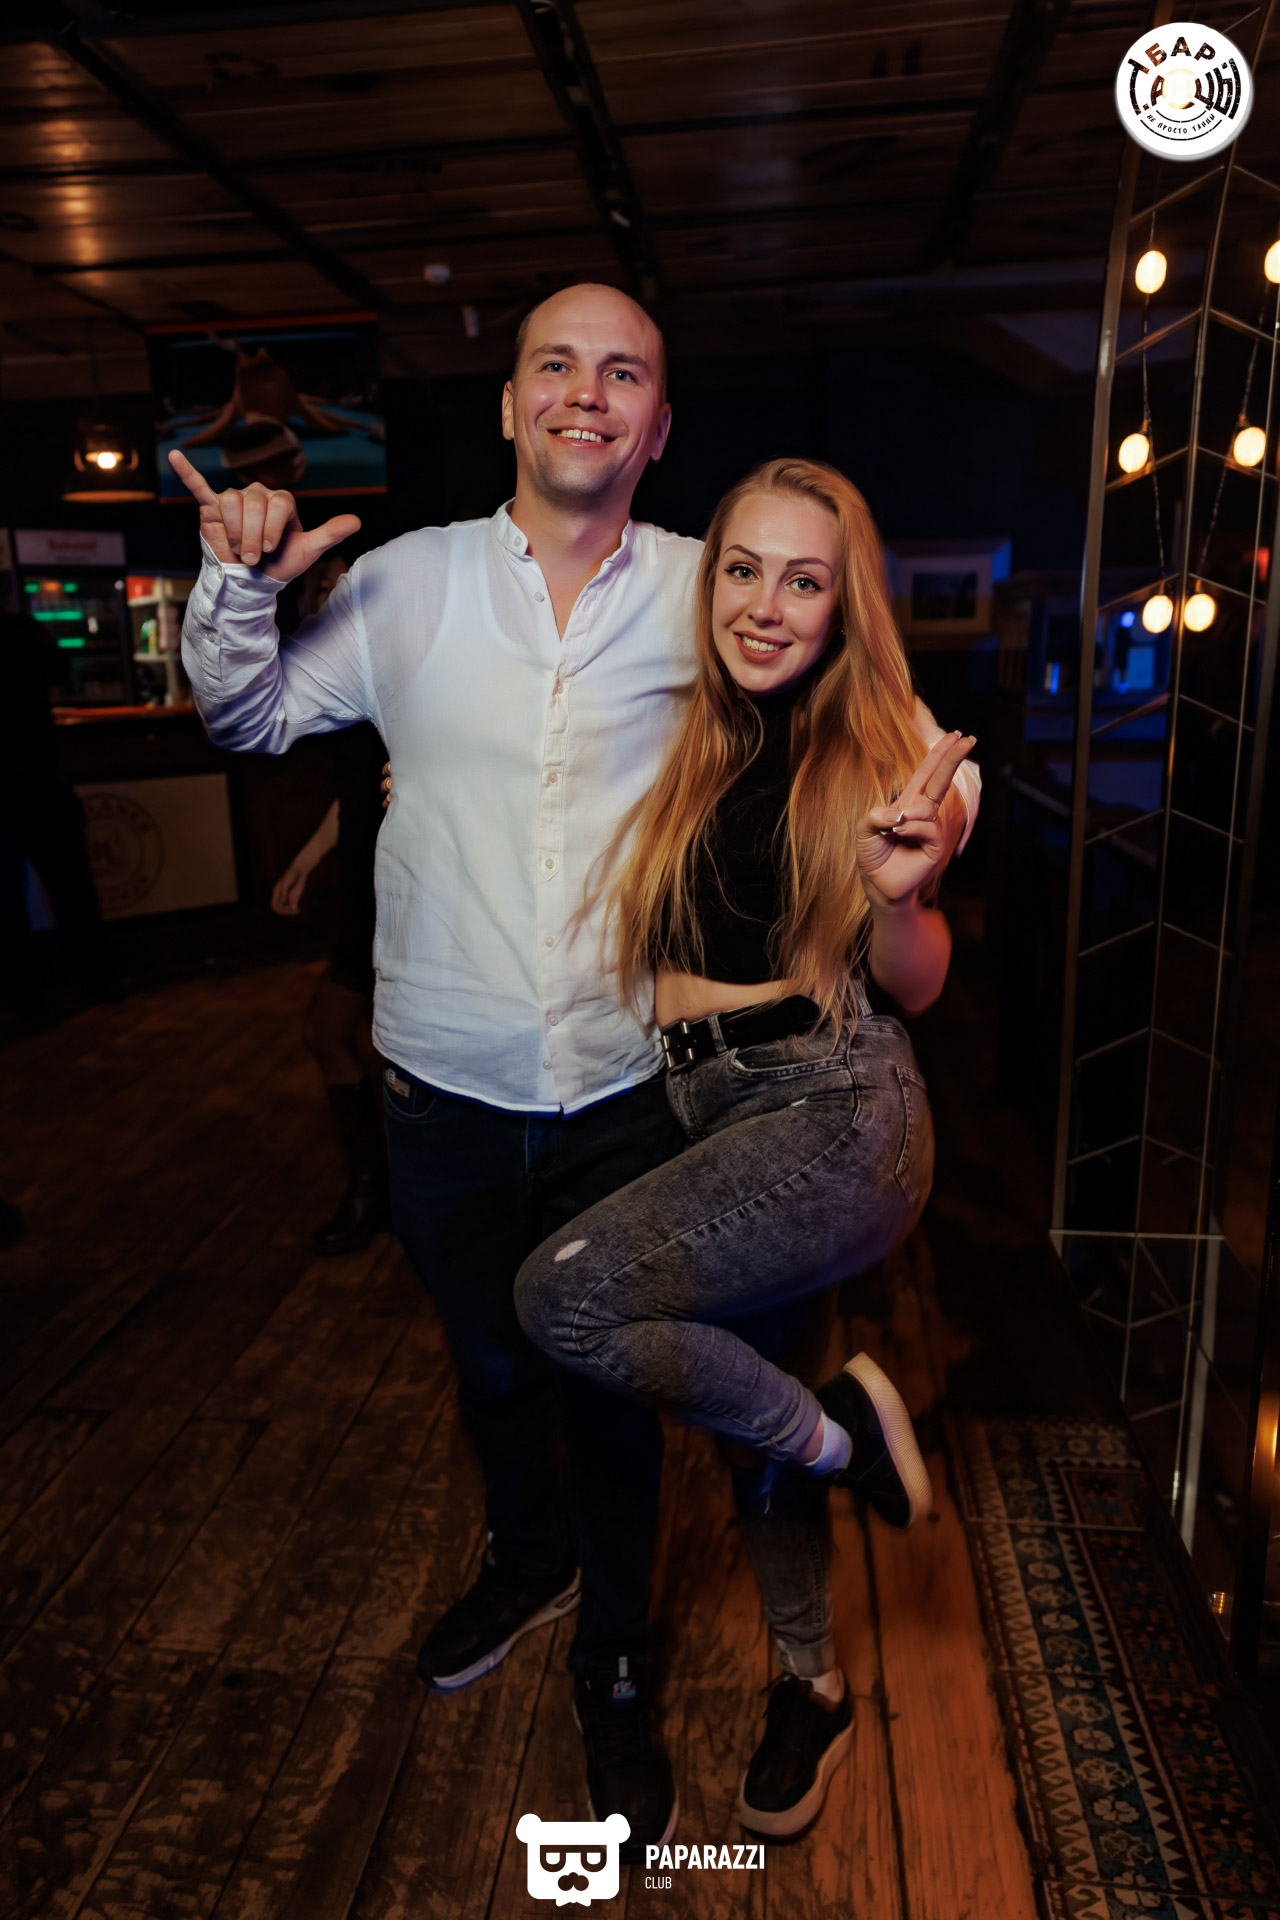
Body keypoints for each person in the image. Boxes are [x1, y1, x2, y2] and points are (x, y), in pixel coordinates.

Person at [173, 282, 980, 1859]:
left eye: (623, 374)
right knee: (492, 1368)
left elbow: (892, 725)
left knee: (606, 1375)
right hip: (442, 1085)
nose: (585, 395)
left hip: (632, 1088)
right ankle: (527, 1563)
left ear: (659, 427)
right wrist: (232, 588)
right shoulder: (405, 585)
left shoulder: (709, 588)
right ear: (509, 403)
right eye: (555, 364)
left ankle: (614, 1655)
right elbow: (249, 718)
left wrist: (927, 843)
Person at [514, 458, 973, 1835]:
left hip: (835, 1111)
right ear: (707, 578)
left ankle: (839, 1436)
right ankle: (813, 1684)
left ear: (843, 605)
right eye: (742, 569)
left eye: (804, 581)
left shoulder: (890, 750)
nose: (766, 606)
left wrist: (902, 897)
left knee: (564, 1300)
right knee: (748, 1414)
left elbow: (917, 982)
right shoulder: (689, 740)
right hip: (710, 1112)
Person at [270, 551, 389, 1254]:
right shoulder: (337, 682)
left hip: (398, 885)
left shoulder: (393, 674)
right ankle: (378, 1188)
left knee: (342, 1033)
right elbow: (352, 798)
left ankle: (379, 1192)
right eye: (321, 583)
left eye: (345, 580)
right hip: (360, 884)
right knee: (340, 1035)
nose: (331, 591)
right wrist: (307, 860)